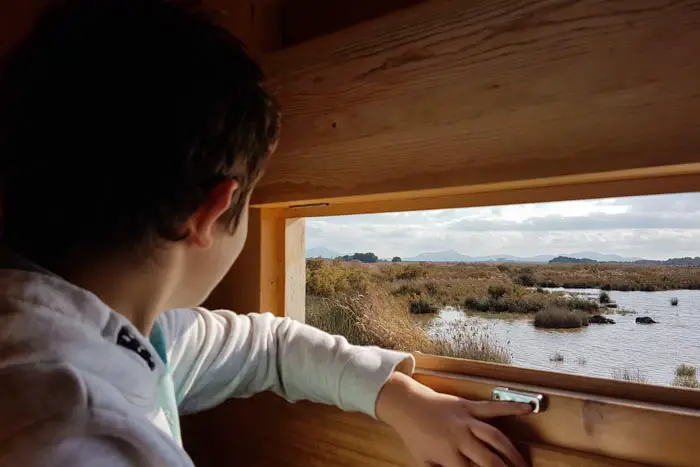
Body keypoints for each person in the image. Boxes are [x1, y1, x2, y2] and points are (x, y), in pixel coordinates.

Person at [0, 1, 531, 466]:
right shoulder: (78, 437)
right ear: (212, 211)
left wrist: (397, 397)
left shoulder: (130, 337)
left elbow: (267, 346)